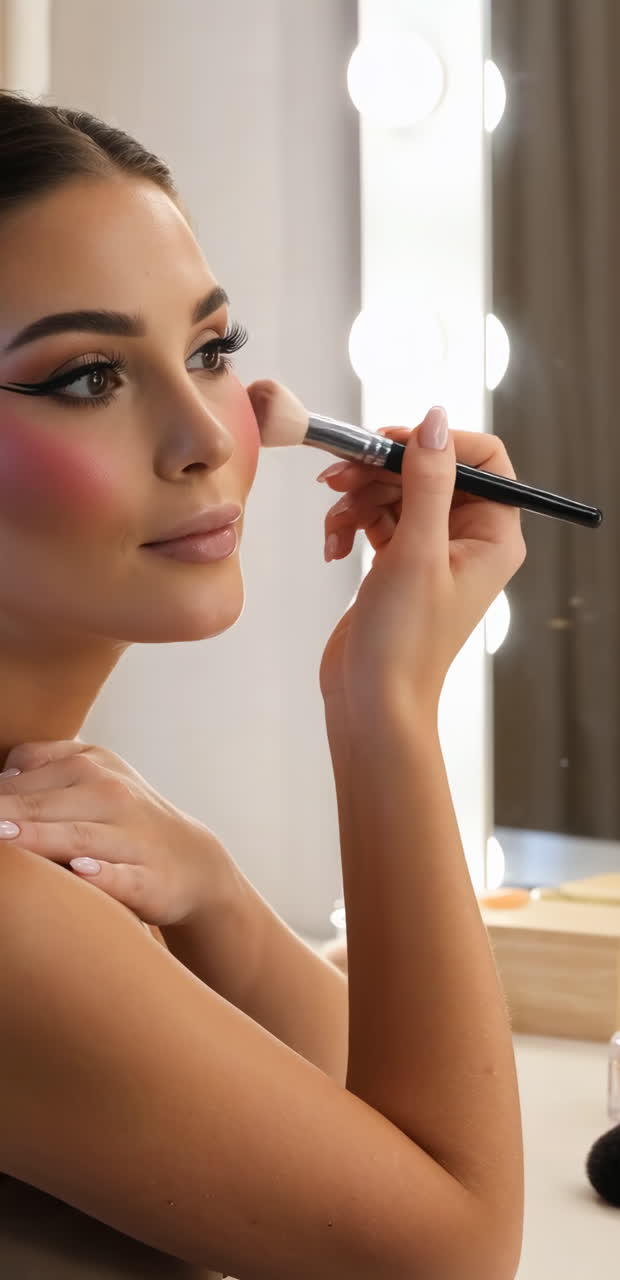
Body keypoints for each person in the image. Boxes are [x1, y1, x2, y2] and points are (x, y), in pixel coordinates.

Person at [0, 89, 526, 1280]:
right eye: (87, 375)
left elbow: (361, 1127)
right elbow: (447, 1254)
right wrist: (383, 705)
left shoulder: (58, 826)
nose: (204, 432)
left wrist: (215, 894)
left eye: (210, 350)